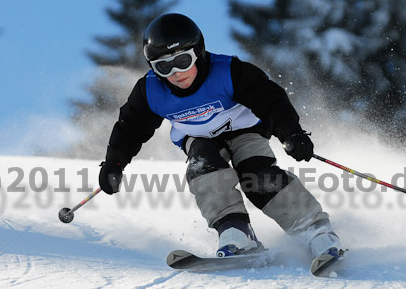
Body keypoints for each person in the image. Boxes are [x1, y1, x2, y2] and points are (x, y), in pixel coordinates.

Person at [99, 13, 343, 262]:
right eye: (163, 66)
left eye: (183, 61)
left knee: (257, 175)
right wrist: (114, 164)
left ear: (199, 52)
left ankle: (314, 230)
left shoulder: (228, 71)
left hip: (245, 130)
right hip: (197, 137)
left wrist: (291, 133)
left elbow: (270, 100)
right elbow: (129, 128)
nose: (175, 73)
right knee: (202, 165)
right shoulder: (150, 91)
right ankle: (236, 230)